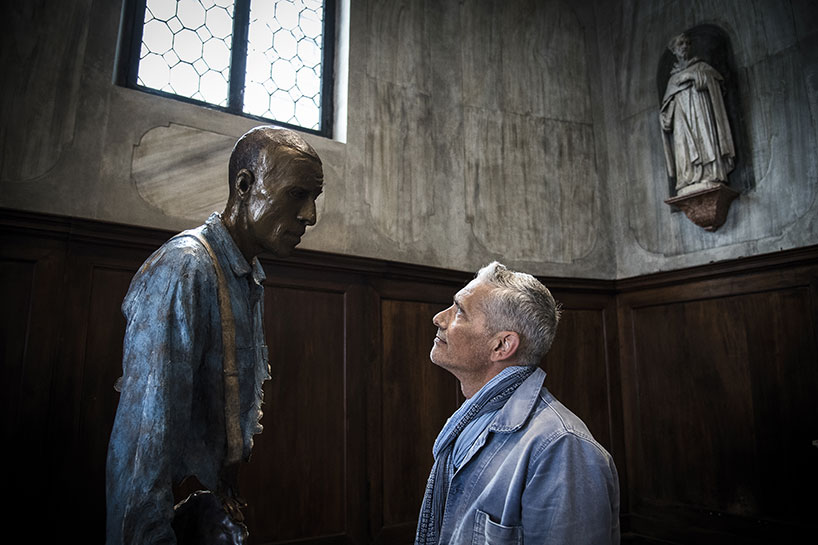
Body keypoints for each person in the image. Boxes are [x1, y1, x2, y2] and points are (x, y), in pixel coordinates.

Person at [106, 126, 324, 544]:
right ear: (245, 185)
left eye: (315, 198)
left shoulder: (245, 274)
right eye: (297, 194)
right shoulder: (186, 269)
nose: (310, 215)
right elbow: (142, 454)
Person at [415, 262, 620, 544]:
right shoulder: (469, 420)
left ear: (501, 346)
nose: (439, 318)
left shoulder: (563, 447)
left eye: (459, 311)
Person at [660, 32, 735, 196]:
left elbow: (718, 85)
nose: (685, 46)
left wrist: (693, 76)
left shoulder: (701, 67)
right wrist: (668, 111)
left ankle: (710, 173)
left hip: (700, 111)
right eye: (681, 44)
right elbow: (666, 112)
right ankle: (688, 178)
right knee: (682, 145)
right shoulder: (672, 79)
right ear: (674, 50)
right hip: (681, 118)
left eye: (687, 43)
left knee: (705, 137)